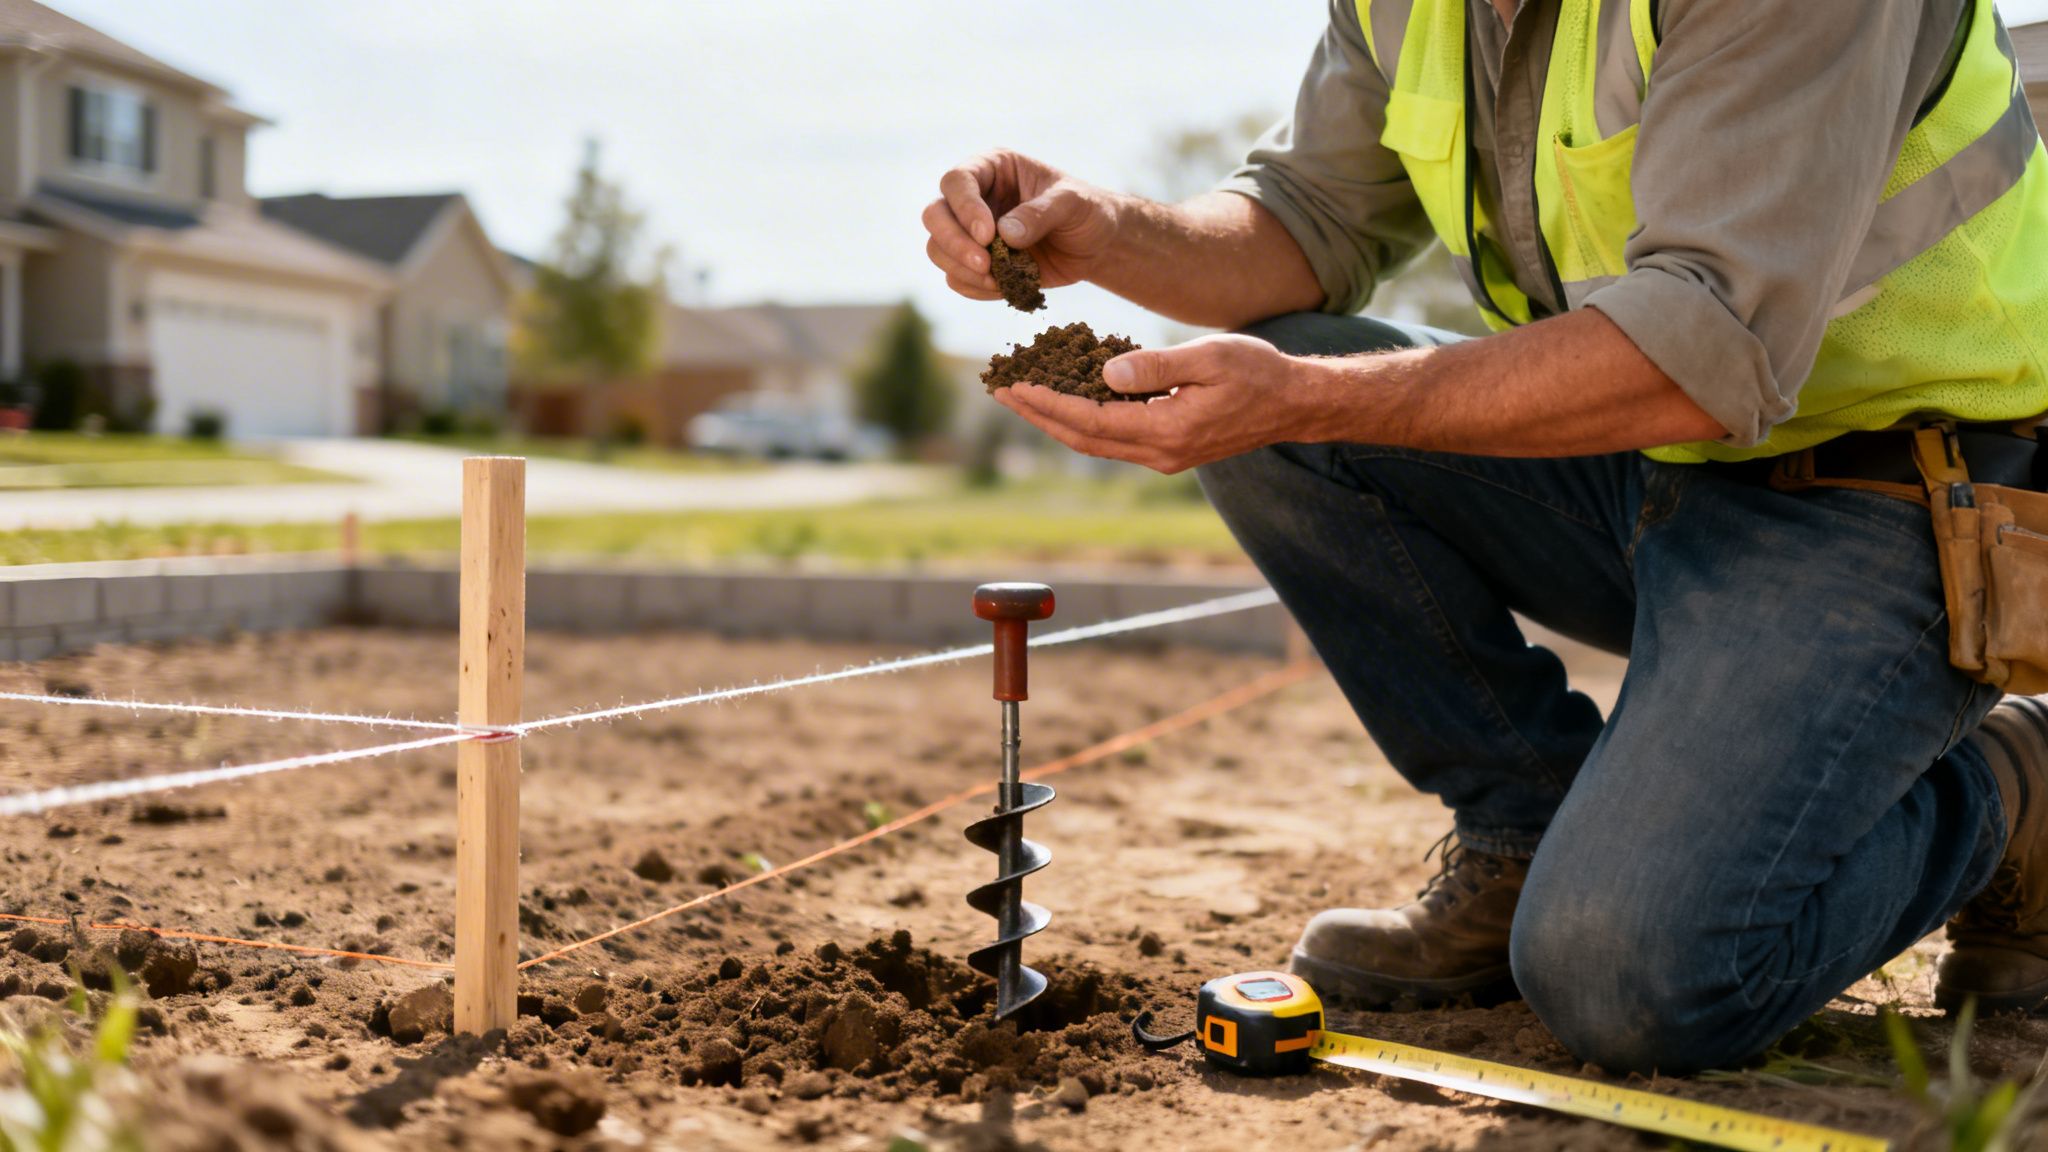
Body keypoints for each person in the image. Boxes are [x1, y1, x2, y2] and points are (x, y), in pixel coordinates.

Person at [922, 0, 2048, 1073]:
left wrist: (1312, 394)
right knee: (1284, 411)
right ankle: (1524, 829)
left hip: (1891, 487)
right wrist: (1108, 229)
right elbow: (1304, 223)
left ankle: (2016, 788)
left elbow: (1706, 343)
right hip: (1647, 459)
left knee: (1635, 979)